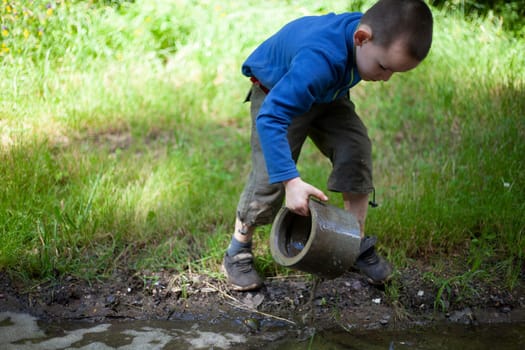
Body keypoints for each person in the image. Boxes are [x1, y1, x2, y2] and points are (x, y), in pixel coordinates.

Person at [222, 0, 433, 291]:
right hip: (278, 96)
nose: (385, 78)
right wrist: (290, 181)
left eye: (394, 72)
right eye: (384, 67)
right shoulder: (320, 59)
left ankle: (353, 242)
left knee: (355, 149)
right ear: (361, 39)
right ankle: (238, 249)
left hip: (326, 95)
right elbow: (271, 118)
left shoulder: (370, 37)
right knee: (269, 176)